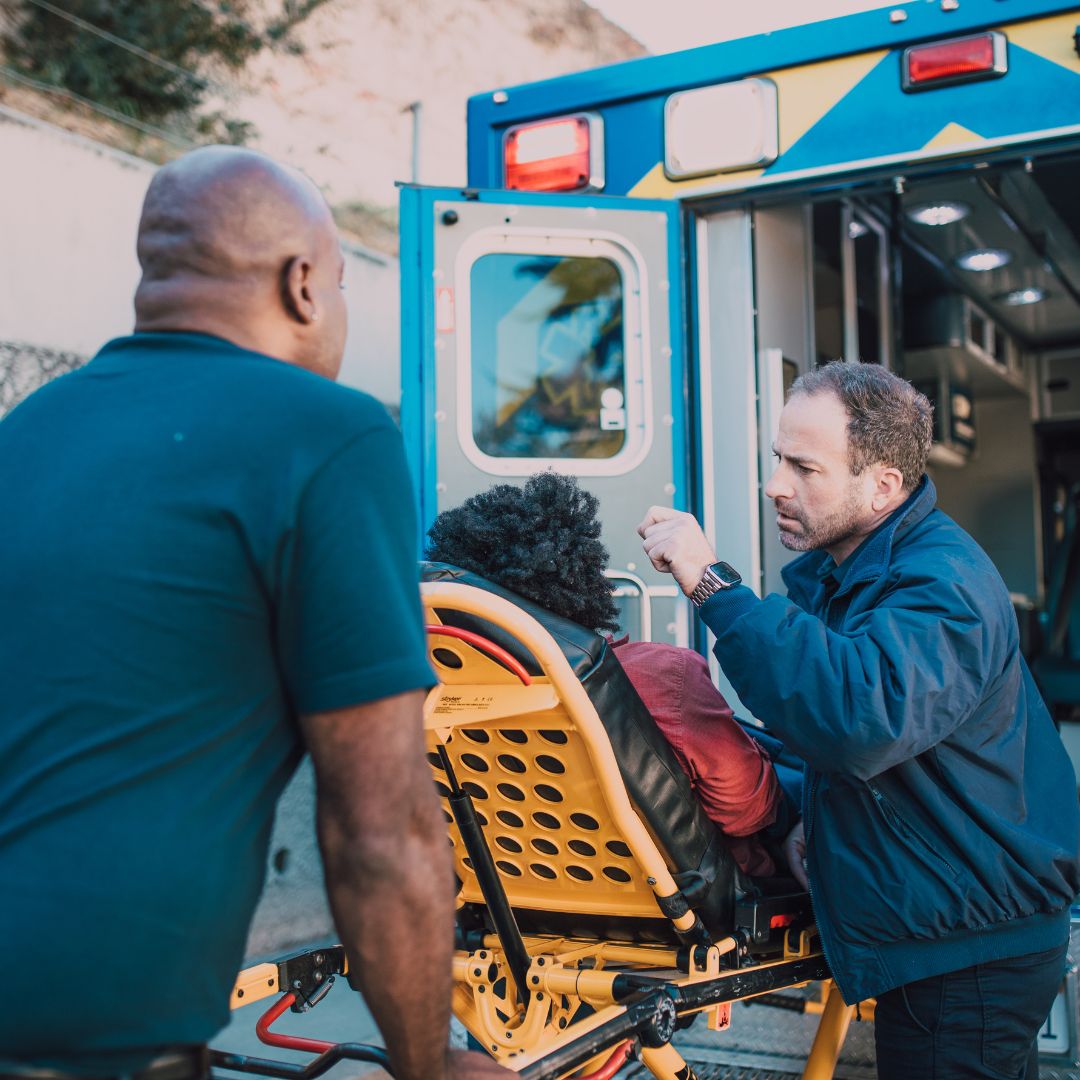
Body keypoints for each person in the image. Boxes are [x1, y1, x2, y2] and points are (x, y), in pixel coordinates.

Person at [0, 147, 508, 1080]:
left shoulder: (28, 429)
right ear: (303, 284)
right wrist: (428, 1063)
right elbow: (378, 828)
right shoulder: (327, 434)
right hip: (92, 1030)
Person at [638, 360, 1080, 1080]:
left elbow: (855, 717)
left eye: (803, 467)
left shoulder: (943, 585)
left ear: (882, 486)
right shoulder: (846, 574)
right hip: (944, 922)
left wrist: (715, 586)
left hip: (968, 951)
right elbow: (829, 743)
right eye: (778, 459)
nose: (775, 484)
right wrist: (802, 816)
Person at [425, 472, 799, 878]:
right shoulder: (663, 676)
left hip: (520, 896)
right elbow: (748, 810)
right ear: (585, 577)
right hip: (676, 904)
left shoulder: (445, 695)